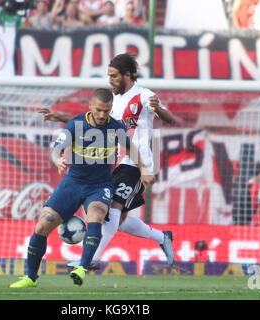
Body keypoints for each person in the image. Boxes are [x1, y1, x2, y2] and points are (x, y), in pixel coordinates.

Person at [39, 53, 176, 270]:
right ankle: (162, 237)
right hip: (114, 163)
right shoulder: (115, 101)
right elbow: (94, 118)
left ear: (127, 75)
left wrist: (158, 109)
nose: (110, 80)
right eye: (108, 76)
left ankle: (92, 258)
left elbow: (170, 118)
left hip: (136, 164)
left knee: (112, 211)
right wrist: (60, 117)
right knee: (115, 219)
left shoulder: (143, 96)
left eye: (113, 76)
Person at [10, 88, 155, 288]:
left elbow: (131, 148)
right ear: (90, 107)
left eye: (107, 110)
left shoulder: (116, 127)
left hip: (99, 186)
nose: (103, 115)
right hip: (73, 183)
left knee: (96, 215)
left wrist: (144, 169)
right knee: (43, 225)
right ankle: (30, 278)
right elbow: (56, 150)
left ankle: (82, 268)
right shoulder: (76, 125)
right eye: (99, 110)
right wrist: (57, 160)